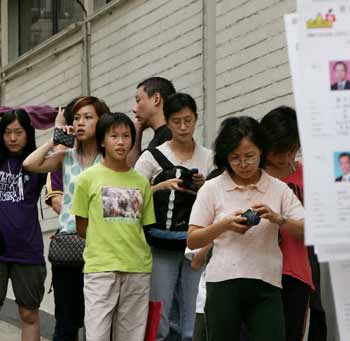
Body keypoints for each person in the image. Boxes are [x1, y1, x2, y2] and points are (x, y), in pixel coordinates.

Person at [187, 116, 305, 341]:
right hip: (223, 283)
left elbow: (306, 229)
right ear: (225, 158)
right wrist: (223, 225)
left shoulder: (278, 188)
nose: (243, 164)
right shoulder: (212, 188)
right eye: (235, 158)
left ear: (261, 151)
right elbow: (193, 239)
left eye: (250, 156)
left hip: (266, 282)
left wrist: (278, 218)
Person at [23, 96, 109, 341]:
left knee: (100, 323)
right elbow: (30, 163)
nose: (80, 123)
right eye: (76, 118)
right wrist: (56, 137)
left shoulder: (109, 159)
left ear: (101, 121)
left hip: (103, 247)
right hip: (69, 247)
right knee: (66, 325)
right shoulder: (66, 156)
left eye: (88, 117)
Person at [134, 93, 214, 341]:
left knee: (192, 315)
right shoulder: (151, 157)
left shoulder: (208, 157)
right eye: (177, 121)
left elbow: (218, 201)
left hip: (195, 244)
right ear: (167, 122)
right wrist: (161, 186)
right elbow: (133, 197)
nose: (183, 127)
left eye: (188, 120)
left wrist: (202, 186)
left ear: (196, 120)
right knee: (160, 314)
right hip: (160, 244)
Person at [71, 112, 155, 341]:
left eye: (126, 136)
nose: (120, 142)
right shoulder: (87, 179)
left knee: (131, 337)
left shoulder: (141, 182)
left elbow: (145, 226)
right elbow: (81, 225)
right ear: (101, 141)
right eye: (114, 136)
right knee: (97, 335)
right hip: (101, 268)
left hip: (137, 267)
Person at [261, 106, 315, 341]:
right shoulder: (252, 174)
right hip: (256, 273)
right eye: (279, 151)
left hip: (295, 273)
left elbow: (315, 228)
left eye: (291, 150)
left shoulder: (308, 176)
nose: (284, 158)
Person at [0, 109, 47, 341]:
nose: (12, 138)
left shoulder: (35, 164)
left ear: (28, 133)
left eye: (18, 132)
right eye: (7, 132)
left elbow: (58, 156)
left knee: (28, 313)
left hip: (27, 250)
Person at [45, 96, 84, 214]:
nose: (83, 123)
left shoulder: (107, 153)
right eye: (78, 118)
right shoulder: (62, 158)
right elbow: (57, 202)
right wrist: (59, 133)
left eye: (88, 117)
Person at [128, 76, 176, 166]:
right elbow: (135, 173)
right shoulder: (161, 137)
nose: (134, 109)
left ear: (156, 99)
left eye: (138, 101)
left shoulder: (172, 137)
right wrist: (137, 130)